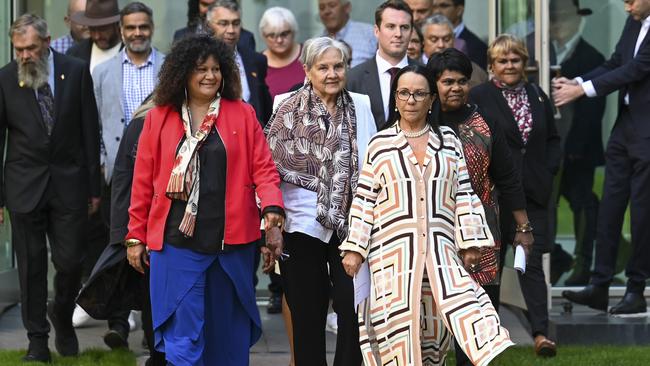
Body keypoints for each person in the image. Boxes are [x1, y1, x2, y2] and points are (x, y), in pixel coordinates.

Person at [125, 34, 284, 365]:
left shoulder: (242, 114)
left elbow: (264, 170)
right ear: (183, 72)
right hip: (175, 246)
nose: (210, 75)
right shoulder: (158, 117)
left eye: (216, 68)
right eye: (201, 68)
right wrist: (135, 236)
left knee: (226, 337)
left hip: (231, 247)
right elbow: (142, 182)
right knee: (184, 338)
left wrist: (271, 209)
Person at [340, 64, 513, 366]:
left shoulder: (447, 141)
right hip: (392, 258)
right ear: (395, 99)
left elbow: (464, 193)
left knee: (435, 335)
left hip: (440, 255)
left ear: (432, 99)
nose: (410, 100)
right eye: (404, 93)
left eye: (419, 93)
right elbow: (364, 199)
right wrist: (355, 248)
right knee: (395, 332)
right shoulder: (380, 145)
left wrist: (470, 242)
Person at [265, 36, 376, 366]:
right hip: (300, 223)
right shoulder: (284, 104)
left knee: (352, 306)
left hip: (350, 224)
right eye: (323, 67)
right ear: (307, 70)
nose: (332, 73)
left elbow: (370, 163)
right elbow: (271, 166)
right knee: (307, 313)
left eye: (338, 66)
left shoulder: (362, 104)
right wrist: (271, 224)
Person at [0, 14, 101, 362]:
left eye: (30, 48)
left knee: (71, 261)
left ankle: (61, 312)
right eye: (19, 50)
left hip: (69, 185)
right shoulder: (5, 79)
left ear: (45, 42)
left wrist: (93, 189)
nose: (24, 55)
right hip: (23, 186)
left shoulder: (74, 71)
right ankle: (37, 341)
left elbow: (90, 130)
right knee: (30, 266)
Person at [428, 48, 532, 366]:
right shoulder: (420, 119)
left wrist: (523, 227)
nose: (456, 88)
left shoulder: (485, 121)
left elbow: (508, 177)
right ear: (434, 85)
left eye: (462, 81)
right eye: (448, 82)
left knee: (478, 317)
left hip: (482, 233)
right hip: (433, 231)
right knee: (428, 317)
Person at [555, 0, 650, 315]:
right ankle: (599, 284)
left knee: (641, 214)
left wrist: (582, 92)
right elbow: (615, 62)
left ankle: (635, 290)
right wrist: (578, 82)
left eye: (631, 0)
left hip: (647, 133)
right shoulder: (636, 20)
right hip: (624, 130)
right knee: (609, 207)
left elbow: (636, 69)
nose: (626, 7)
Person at [469, 34, 561, 357]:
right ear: (491, 66)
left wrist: (547, 170)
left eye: (515, 59)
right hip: (494, 196)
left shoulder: (537, 95)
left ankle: (540, 334)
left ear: (525, 63)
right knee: (490, 268)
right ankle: (490, 335)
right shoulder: (479, 95)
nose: (510, 66)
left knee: (531, 265)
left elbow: (552, 139)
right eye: (502, 61)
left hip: (532, 195)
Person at [86, 1, 165, 348]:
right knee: (120, 246)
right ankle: (119, 322)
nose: (137, 33)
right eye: (130, 28)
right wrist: (103, 167)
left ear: (151, 28)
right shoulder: (102, 72)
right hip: (118, 178)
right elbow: (96, 123)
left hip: (158, 177)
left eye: (142, 27)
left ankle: (152, 333)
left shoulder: (168, 68)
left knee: (152, 255)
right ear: (122, 31)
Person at [76, 97, 166, 366]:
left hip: (189, 234)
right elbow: (124, 181)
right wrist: (123, 239)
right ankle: (155, 354)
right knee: (153, 299)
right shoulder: (143, 123)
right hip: (151, 233)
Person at [548, 0, 606, 286]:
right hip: (549, 148)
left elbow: (594, 110)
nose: (559, 25)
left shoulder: (591, 56)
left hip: (578, 150)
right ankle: (556, 258)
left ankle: (584, 264)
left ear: (578, 19)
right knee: (544, 206)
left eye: (565, 19)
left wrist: (576, 148)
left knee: (583, 203)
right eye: (554, 20)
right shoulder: (539, 51)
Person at [347, 0, 418, 129]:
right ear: (376, 31)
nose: (398, 34)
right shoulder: (353, 78)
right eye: (391, 26)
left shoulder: (425, 74)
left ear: (411, 31)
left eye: (404, 27)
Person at [206, 0, 273, 124]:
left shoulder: (256, 60)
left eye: (236, 23)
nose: (231, 30)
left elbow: (265, 107)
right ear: (209, 25)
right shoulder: (199, 63)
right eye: (223, 23)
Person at [420, 14, 487, 88]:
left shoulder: (475, 72)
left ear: (454, 39)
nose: (441, 45)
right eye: (434, 39)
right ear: (423, 41)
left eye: (446, 39)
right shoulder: (412, 68)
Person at [260, 7, 304, 100]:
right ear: (264, 35)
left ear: (293, 31)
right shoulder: (257, 63)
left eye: (284, 34)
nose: (279, 40)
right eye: (272, 35)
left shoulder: (309, 54)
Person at [173, 0, 256, 50]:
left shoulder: (246, 38)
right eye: (205, 4)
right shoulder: (181, 36)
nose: (209, 10)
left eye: (215, 4)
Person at [67, 0, 122, 73]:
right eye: (92, 29)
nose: (96, 36)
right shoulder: (75, 54)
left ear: (116, 24)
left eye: (102, 29)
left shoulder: (131, 51)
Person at [318, 0, 377, 68]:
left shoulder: (369, 33)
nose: (327, 11)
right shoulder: (316, 41)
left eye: (332, 5)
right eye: (322, 7)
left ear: (347, 7)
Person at [432, 0, 488, 70]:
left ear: (459, 10)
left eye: (444, 6)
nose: (437, 11)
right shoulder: (423, 39)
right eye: (434, 6)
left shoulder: (478, 48)